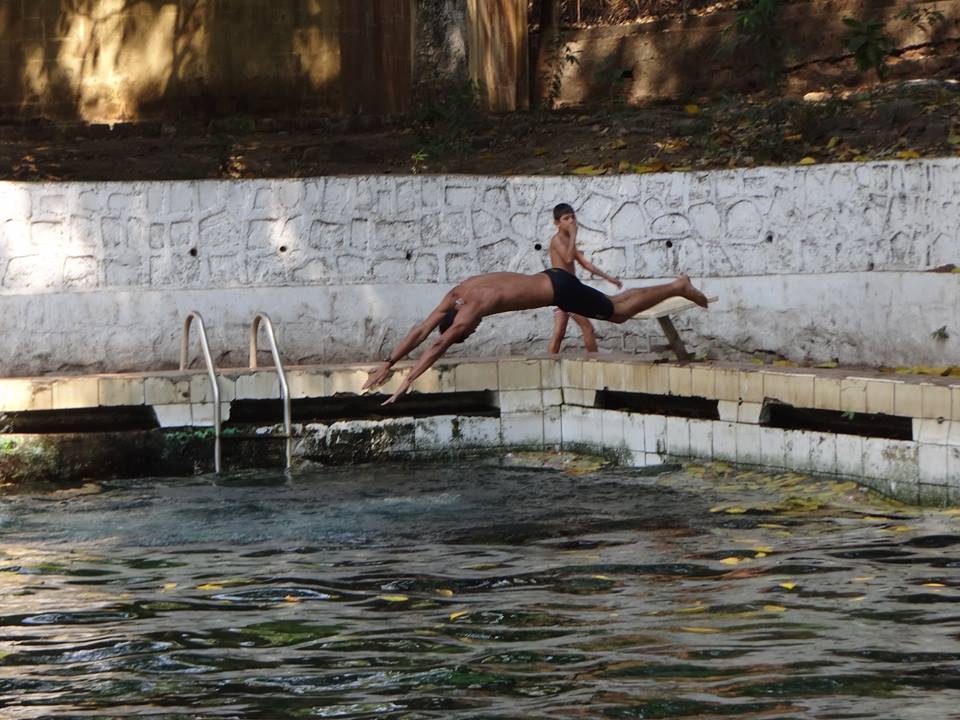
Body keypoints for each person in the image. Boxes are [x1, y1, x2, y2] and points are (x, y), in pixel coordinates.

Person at [362, 269, 709, 405]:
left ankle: (677, 286)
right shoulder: (456, 293)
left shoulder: (468, 309)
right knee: (615, 307)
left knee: (618, 312)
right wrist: (388, 363)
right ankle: (675, 286)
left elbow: (437, 342)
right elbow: (420, 331)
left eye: (466, 333)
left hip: (558, 289)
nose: (472, 331)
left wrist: (406, 379)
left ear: (459, 322)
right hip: (552, 279)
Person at [546, 203, 622, 354]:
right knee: (587, 327)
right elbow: (568, 259)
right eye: (566, 218)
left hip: (567, 291)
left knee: (559, 332)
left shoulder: (569, 241)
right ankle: (594, 362)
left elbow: (585, 263)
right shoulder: (557, 240)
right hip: (565, 292)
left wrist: (609, 278)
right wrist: (574, 235)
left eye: (573, 217)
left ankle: (550, 364)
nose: (571, 221)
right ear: (557, 223)